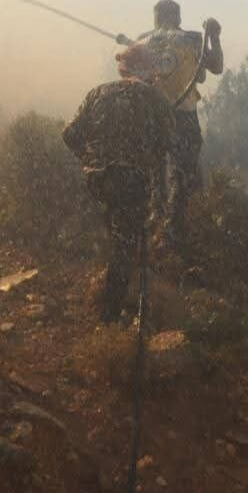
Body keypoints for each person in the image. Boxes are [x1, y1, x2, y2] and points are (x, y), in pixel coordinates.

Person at [63, 42, 173, 322]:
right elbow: (165, 148)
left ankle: (84, 289)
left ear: (123, 68)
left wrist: (90, 162)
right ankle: (109, 317)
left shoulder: (98, 92)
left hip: (95, 181)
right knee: (124, 247)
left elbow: (70, 135)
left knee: (110, 233)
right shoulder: (156, 98)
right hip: (130, 182)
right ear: (148, 70)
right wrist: (159, 197)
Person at [133, 0, 223, 247]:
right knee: (182, 173)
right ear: (178, 18)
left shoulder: (142, 40)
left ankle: (157, 221)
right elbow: (216, 66)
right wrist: (214, 37)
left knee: (155, 170)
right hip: (183, 115)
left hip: (151, 115)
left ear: (157, 17)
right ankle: (174, 231)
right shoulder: (192, 39)